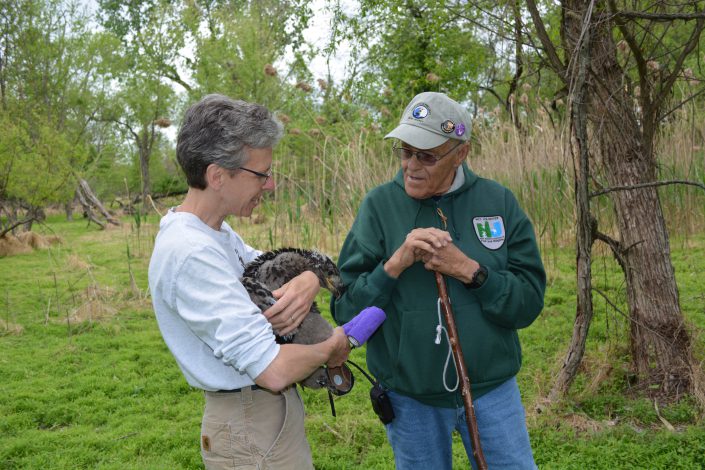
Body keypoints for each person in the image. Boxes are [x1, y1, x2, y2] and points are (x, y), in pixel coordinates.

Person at [332, 91, 546, 469]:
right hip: (410, 398)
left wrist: (470, 271)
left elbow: (528, 304)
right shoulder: (379, 207)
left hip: (492, 391)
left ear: (460, 153)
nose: (411, 165)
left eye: (427, 156)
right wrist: (394, 264)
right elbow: (345, 309)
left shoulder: (497, 202)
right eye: (404, 151)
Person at [148, 94, 349, 470]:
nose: (269, 186)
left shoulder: (216, 236)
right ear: (217, 176)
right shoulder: (191, 252)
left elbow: (270, 270)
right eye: (262, 174)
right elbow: (273, 370)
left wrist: (308, 278)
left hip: (260, 419)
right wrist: (333, 347)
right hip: (249, 428)